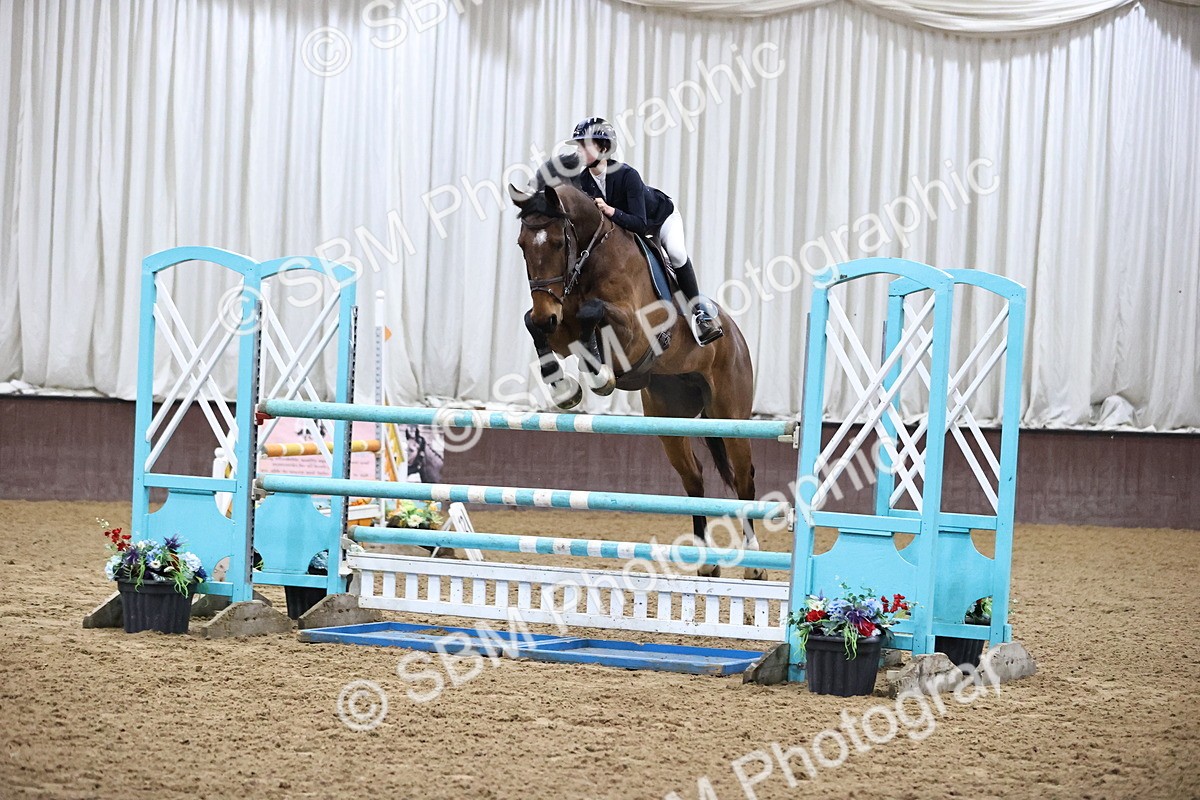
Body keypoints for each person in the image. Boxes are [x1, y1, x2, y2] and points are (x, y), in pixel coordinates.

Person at [568, 117, 723, 345]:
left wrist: (611, 211)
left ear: (602, 148)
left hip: (660, 220)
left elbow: (640, 223)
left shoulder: (627, 175)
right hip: (628, 229)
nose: (579, 151)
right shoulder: (582, 181)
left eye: (585, 145)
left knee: (677, 254)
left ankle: (700, 313)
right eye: (579, 146)